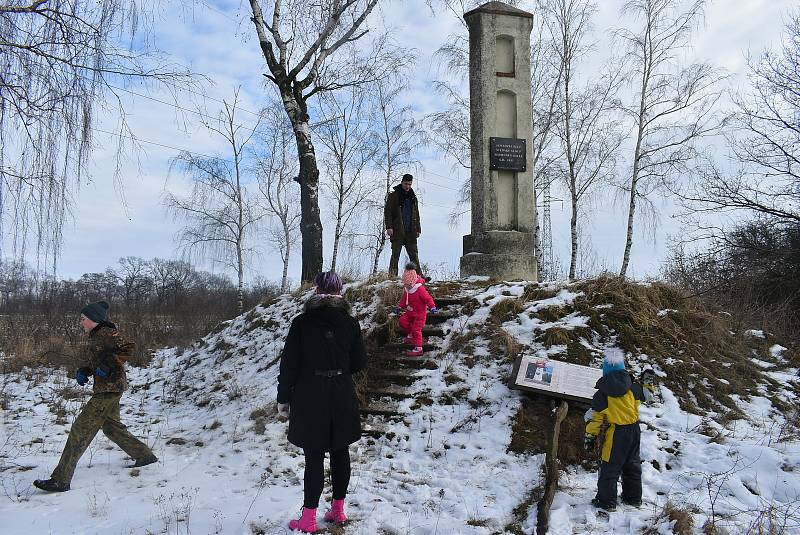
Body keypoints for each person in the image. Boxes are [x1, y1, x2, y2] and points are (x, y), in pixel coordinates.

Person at [33, 301, 157, 493]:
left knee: (80, 429)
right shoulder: (96, 336)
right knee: (111, 427)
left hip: (109, 388)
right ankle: (144, 455)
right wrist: (86, 370)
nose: (81, 322)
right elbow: (100, 359)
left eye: (83, 319)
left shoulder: (107, 333)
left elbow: (128, 347)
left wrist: (108, 366)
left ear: (93, 319)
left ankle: (60, 479)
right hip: (107, 387)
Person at [277, 271, 367, 533]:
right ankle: (338, 511)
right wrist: (338, 368)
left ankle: (308, 518)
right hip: (341, 393)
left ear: (316, 291)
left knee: (313, 457)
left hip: (309, 394)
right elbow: (359, 362)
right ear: (340, 292)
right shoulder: (350, 323)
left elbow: (289, 365)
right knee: (341, 452)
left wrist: (284, 397)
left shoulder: (302, 323)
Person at [584, 353, 654, 512]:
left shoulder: (602, 395)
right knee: (632, 465)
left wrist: (590, 437)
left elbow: (595, 419)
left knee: (610, 466)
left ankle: (606, 502)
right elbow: (648, 396)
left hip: (617, 433)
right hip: (634, 430)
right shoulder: (633, 388)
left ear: (605, 371)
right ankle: (633, 498)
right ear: (623, 369)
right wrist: (648, 383)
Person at [384, 173, 424, 279]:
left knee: (414, 256)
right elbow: (388, 212)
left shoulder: (413, 197)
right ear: (402, 182)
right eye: (406, 184)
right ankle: (392, 277)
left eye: (410, 184)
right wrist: (389, 227)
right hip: (397, 230)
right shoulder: (394, 196)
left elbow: (417, 213)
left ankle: (419, 278)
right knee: (395, 255)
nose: (408, 186)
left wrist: (418, 228)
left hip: (411, 231)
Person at [396, 263, 437, 357]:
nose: (407, 287)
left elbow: (428, 299)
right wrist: (399, 307)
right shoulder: (407, 289)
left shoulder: (420, 290)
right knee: (402, 321)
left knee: (416, 330)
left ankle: (419, 348)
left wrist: (432, 307)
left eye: (409, 285)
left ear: (413, 282)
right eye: (405, 285)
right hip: (410, 312)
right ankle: (410, 335)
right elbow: (403, 299)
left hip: (420, 314)